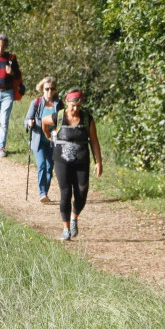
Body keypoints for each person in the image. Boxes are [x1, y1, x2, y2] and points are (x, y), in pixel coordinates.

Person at [42, 88, 103, 241]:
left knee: (82, 193)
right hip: (61, 160)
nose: (75, 108)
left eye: (78, 105)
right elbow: (44, 121)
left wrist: (99, 162)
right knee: (65, 193)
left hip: (82, 160)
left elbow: (94, 140)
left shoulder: (87, 118)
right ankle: (66, 229)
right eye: (72, 105)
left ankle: (74, 217)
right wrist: (48, 135)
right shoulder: (60, 116)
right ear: (67, 103)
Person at [25, 77, 63, 203]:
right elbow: (27, 119)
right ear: (42, 89)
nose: (49, 92)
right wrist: (29, 123)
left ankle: (45, 192)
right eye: (47, 89)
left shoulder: (59, 104)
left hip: (53, 140)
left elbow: (63, 122)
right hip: (38, 140)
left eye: (52, 89)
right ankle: (42, 193)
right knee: (41, 165)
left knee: (49, 167)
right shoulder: (36, 103)